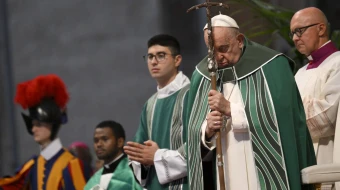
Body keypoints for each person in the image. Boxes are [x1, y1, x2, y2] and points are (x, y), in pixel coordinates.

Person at [184, 14, 316, 190]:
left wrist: (231, 109)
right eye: (211, 50)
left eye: (223, 48)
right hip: (223, 171)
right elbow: (192, 134)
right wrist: (206, 131)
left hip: (259, 172)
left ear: (239, 40)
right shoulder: (202, 75)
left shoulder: (272, 66)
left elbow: (283, 120)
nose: (217, 57)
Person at [0, 74, 91, 190]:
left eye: (38, 124)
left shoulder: (71, 165)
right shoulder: (32, 166)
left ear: (52, 125)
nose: (33, 129)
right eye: (33, 125)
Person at [123, 34, 190, 189]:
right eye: (150, 56)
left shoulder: (192, 95)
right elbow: (140, 149)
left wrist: (157, 157)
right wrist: (139, 158)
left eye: (161, 56)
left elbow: (199, 146)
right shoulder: (150, 105)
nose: (153, 61)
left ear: (177, 60)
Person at [291, 7, 340, 189]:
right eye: (292, 33)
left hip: (327, 156)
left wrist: (289, 112)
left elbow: (327, 116)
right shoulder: (299, 73)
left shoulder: (337, 63)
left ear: (320, 29)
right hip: (301, 162)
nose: (295, 38)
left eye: (299, 31)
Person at [84, 120, 142, 190]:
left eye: (105, 139)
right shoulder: (94, 179)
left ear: (120, 142)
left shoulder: (135, 171)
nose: (99, 144)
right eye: (96, 140)